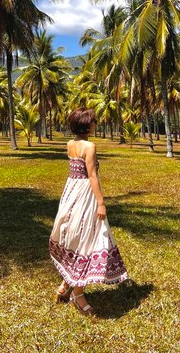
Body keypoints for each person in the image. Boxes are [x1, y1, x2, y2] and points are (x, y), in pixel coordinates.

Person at [49, 107, 128, 315]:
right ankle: (78, 294)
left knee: (75, 238)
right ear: (86, 124)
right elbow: (92, 176)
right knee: (87, 240)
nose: (95, 124)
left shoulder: (70, 144)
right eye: (93, 121)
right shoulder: (89, 146)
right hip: (85, 194)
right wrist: (101, 203)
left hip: (71, 193)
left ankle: (65, 285)